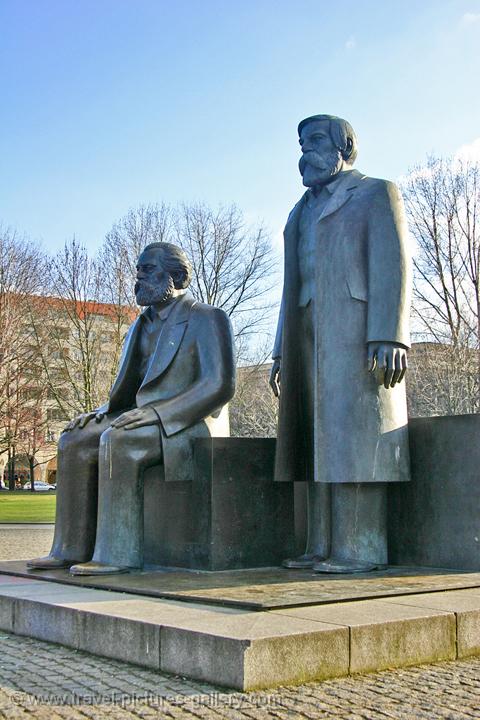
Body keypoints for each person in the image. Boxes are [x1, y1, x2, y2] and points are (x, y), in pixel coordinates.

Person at [28, 242, 235, 575]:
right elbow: (129, 392)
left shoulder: (207, 319)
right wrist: (101, 411)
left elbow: (219, 386)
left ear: (177, 276)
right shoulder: (140, 325)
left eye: (148, 269)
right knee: (74, 439)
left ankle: (116, 554)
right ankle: (68, 548)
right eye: (138, 270)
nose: (138, 277)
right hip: (142, 419)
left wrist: (157, 413)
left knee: (118, 442)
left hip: (187, 422)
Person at [270, 114, 412, 573]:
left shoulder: (375, 192)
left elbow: (393, 262)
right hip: (306, 332)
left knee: (353, 437)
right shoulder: (299, 211)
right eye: (300, 143)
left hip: (357, 333)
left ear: (344, 146)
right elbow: (291, 285)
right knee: (314, 435)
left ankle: (361, 548)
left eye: (313, 141)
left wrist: (389, 334)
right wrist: (279, 349)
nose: (303, 153)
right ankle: (321, 544)